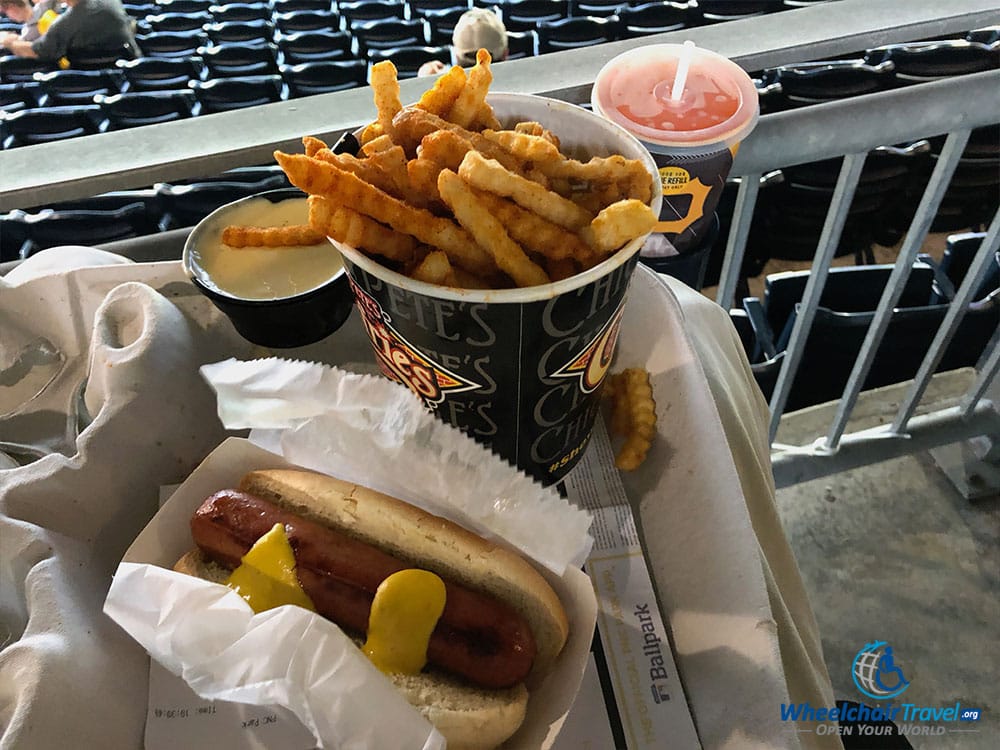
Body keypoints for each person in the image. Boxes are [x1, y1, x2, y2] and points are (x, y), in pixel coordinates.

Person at [0, 0, 137, 62]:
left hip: (85, 86)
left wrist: (9, 43)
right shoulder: (111, 2)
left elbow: (36, 51)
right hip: (127, 72)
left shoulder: (66, 24)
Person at [417, 8, 508, 78]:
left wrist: (426, 79)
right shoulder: (520, 81)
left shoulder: (435, 83)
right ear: (505, 54)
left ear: (456, 55)